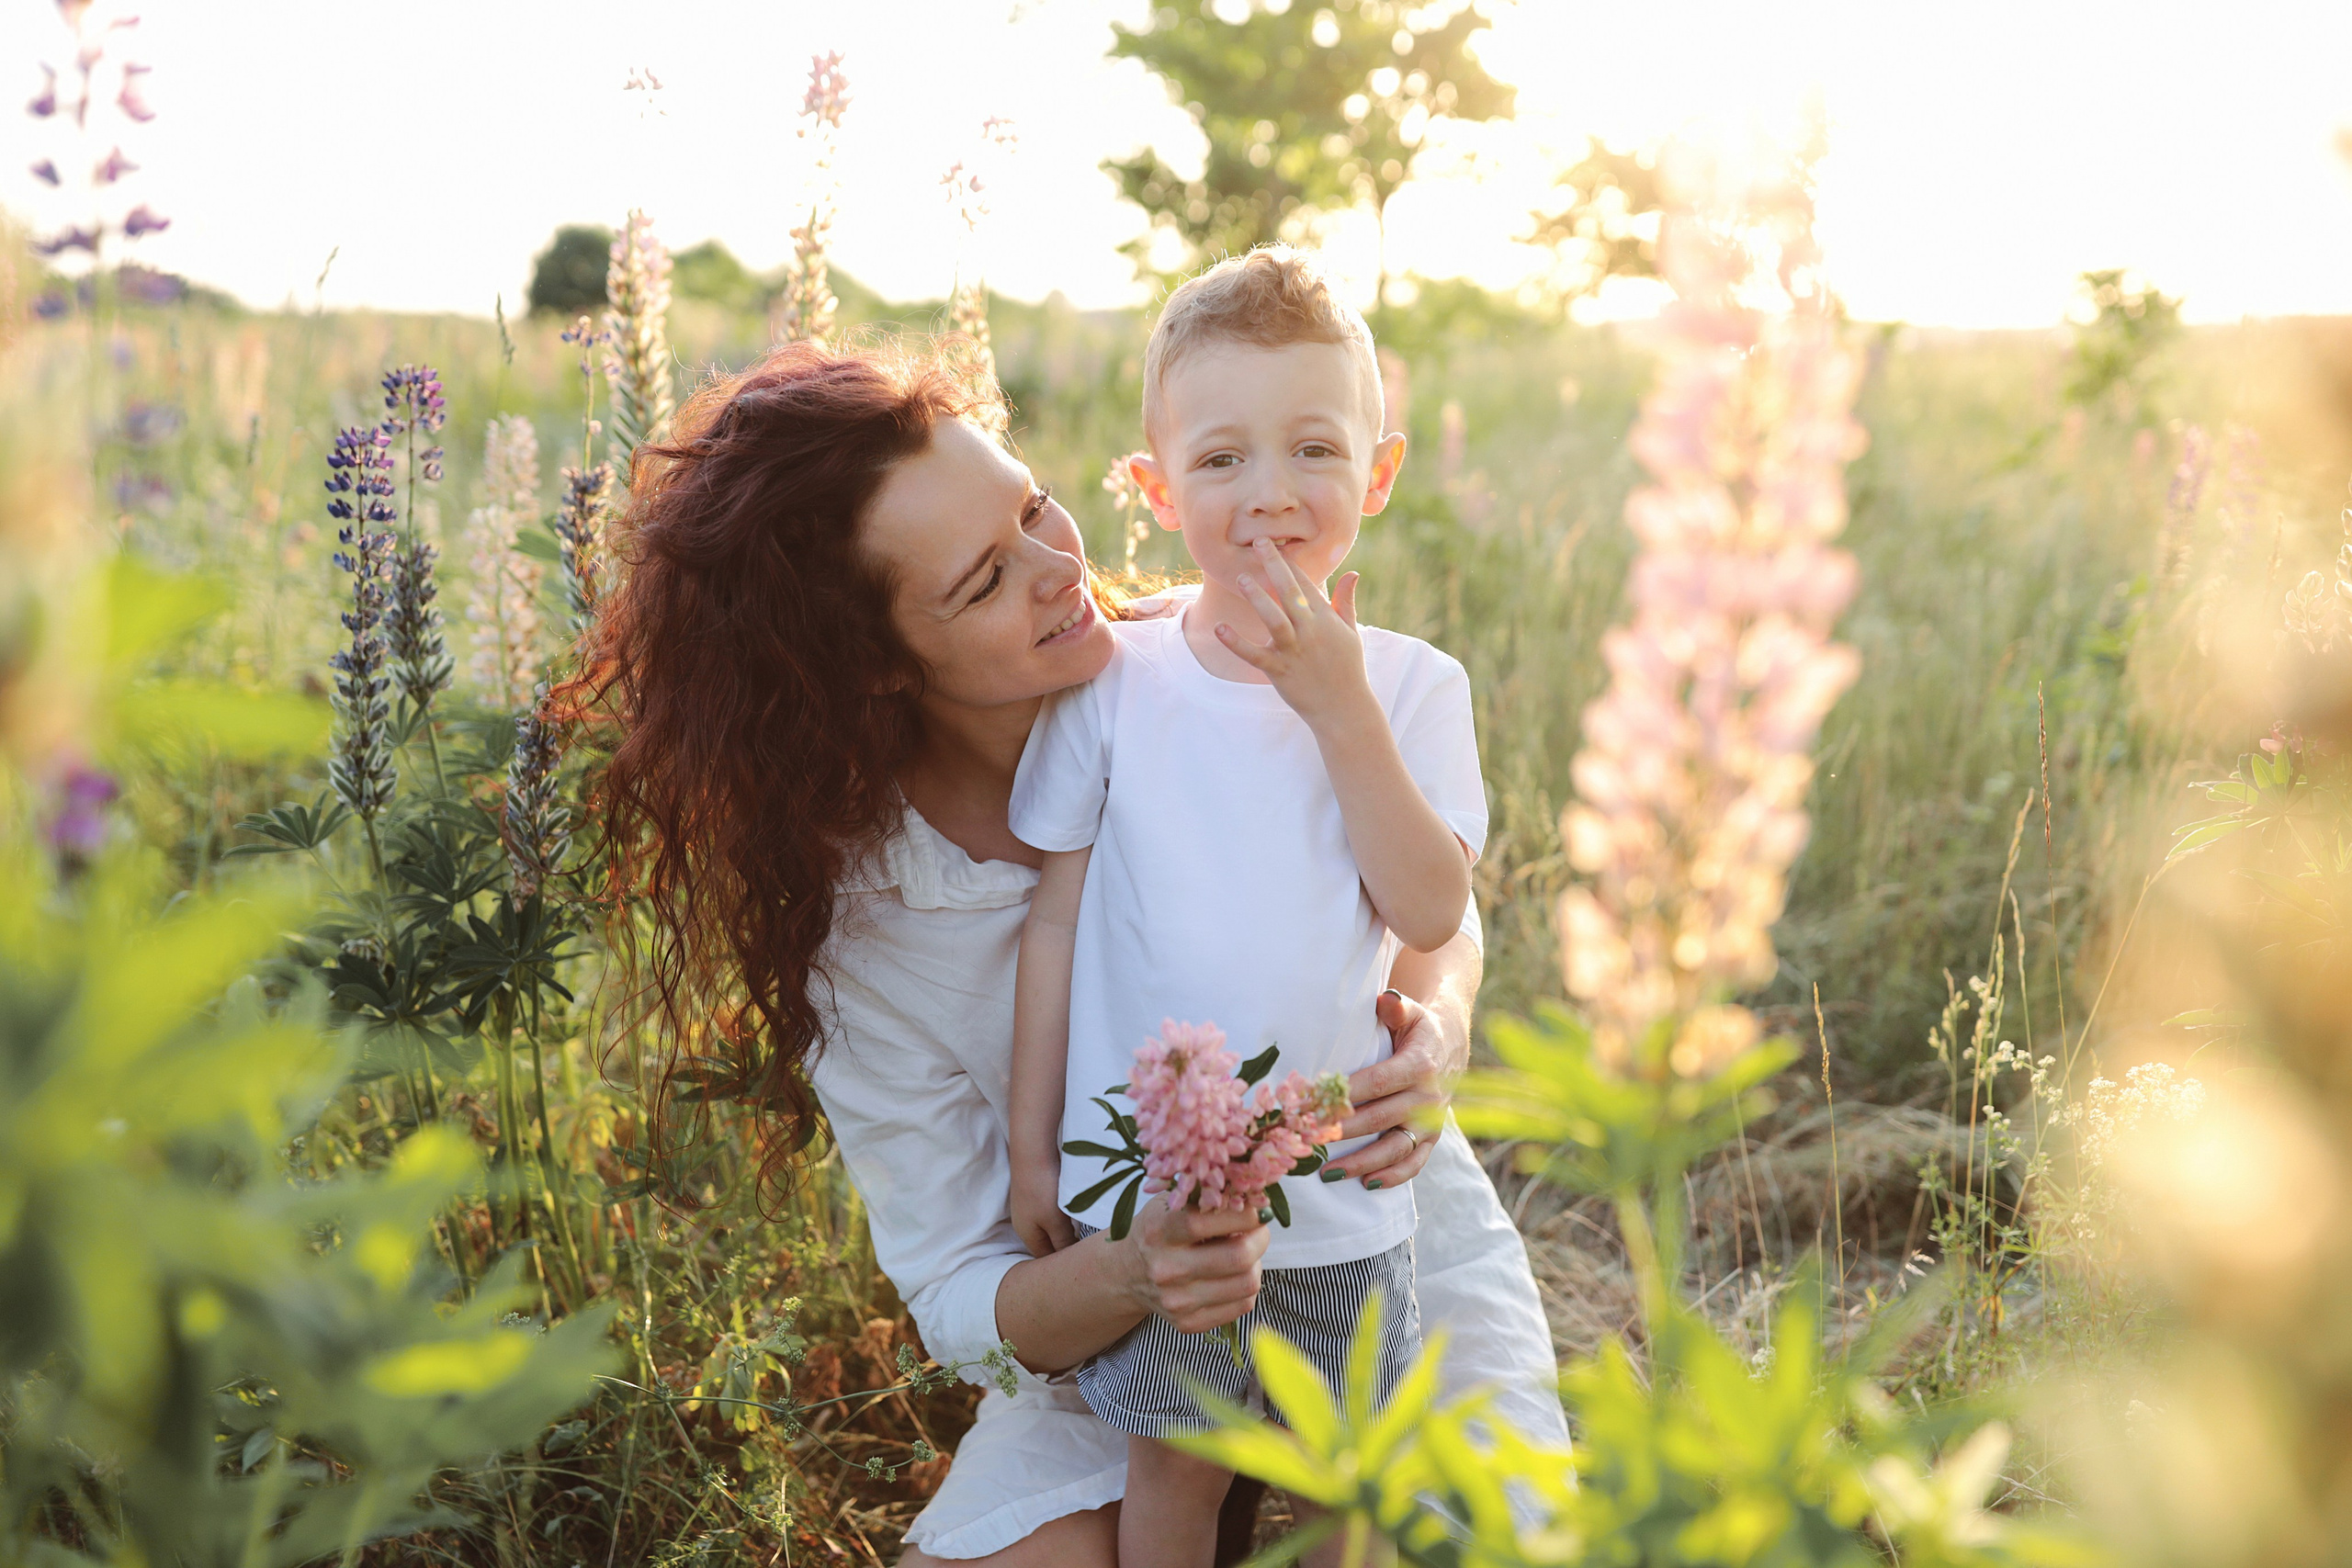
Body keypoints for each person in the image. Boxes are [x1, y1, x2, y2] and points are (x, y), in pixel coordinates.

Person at [579, 332, 1566, 1567]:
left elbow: (1423, 892)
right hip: (1114, 1334)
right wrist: (1139, 1272)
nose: (1062, 568)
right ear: (877, 671)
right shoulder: (873, 933)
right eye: (986, 581)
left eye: (1035, 507)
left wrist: (1443, 1024)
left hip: (1371, 1234)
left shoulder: (1207, 663)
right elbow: (956, 1297)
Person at [1004, 248, 1479, 1568]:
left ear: (1378, 475)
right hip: (1164, 1195)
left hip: (1340, 1194)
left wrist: (1339, 708)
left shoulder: (1414, 686)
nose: (1271, 496)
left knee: (1342, 1486)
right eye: (1221, 462)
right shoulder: (1120, 683)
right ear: (1158, 492)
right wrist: (1034, 1147)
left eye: (1313, 451)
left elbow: (1431, 909)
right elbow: (1055, 921)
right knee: (1181, 1473)